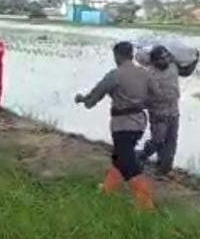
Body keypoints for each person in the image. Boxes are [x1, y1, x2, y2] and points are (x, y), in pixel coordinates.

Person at [74, 41, 154, 210]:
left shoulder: (115, 75)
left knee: (127, 162)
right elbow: (154, 97)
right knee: (118, 157)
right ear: (131, 55)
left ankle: (145, 203)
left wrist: (83, 100)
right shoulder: (146, 74)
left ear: (117, 56)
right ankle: (106, 189)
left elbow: (94, 96)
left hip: (123, 125)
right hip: (140, 122)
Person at [139, 45, 181, 176]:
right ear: (154, 61)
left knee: (171, 142)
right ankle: (142, 155)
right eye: (162, 58)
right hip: (158, 114)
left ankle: (164, 169)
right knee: (157, 141)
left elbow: (188, 67)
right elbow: (144, 96)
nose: (166, 60)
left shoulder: (173, 67)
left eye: (167, 57)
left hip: (174, 112)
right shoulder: (149, 75)